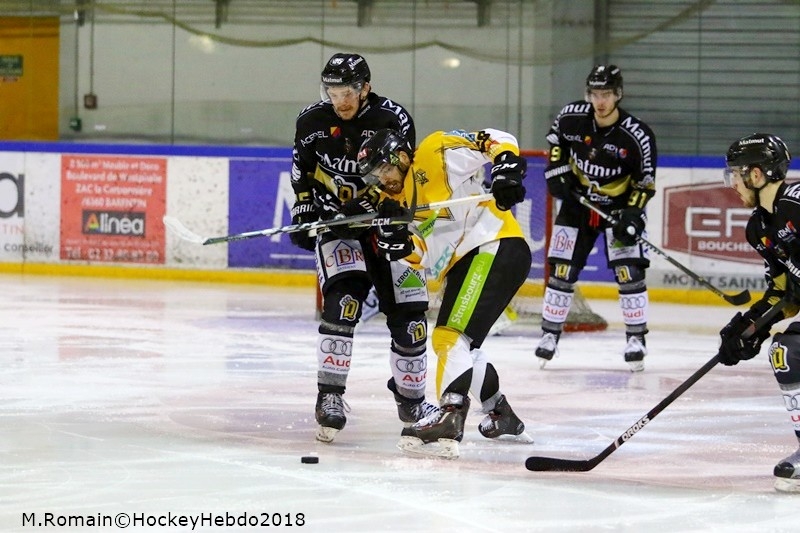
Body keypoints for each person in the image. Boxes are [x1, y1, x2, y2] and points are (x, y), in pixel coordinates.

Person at [356, 127, 533, 458]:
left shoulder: (433, 153)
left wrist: (506, 164)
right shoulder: (394, 204)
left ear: (402, 156)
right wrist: (400, 245)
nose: (382, 180)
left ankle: (450, 415)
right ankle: (500, 413)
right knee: (464, 348)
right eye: (375, 176)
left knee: (449, 340)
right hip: (470, 260)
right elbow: (426, 253)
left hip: (492, 244)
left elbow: (494, 138)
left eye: (385, 169)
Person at [289, 53, 437, 443]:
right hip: (337, 226)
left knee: (410, 317)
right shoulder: (311, 121)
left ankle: (413, 403)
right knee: (343, 301)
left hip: (384, 224)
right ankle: (330, 397)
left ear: (365, 88)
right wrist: (304, 207)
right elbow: (301, 171)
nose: (340, 100)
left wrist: (365, 207)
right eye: (333, 91)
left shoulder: (393, 118)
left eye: (348, 90)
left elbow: (398, 177)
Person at [535, 64, 657, 372]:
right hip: (578, 205)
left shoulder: (637, 135)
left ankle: (636, 339)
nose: (599, 101)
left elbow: (645, 183)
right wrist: (557, 173)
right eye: (594, 94)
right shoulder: (572, 116)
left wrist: (632, 213)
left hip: (617, 209)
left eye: (606, 94)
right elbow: (557, 145)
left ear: (618, 95)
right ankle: (549, 335)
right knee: (562, 269)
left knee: (629, 272)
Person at [718, 133, 799, 493]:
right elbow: (785, 292)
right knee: (786, 352)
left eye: (736, 173)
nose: (732, 182)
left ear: (756, 174)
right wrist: (749, 328)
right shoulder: (759, 228)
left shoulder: (798, 203)